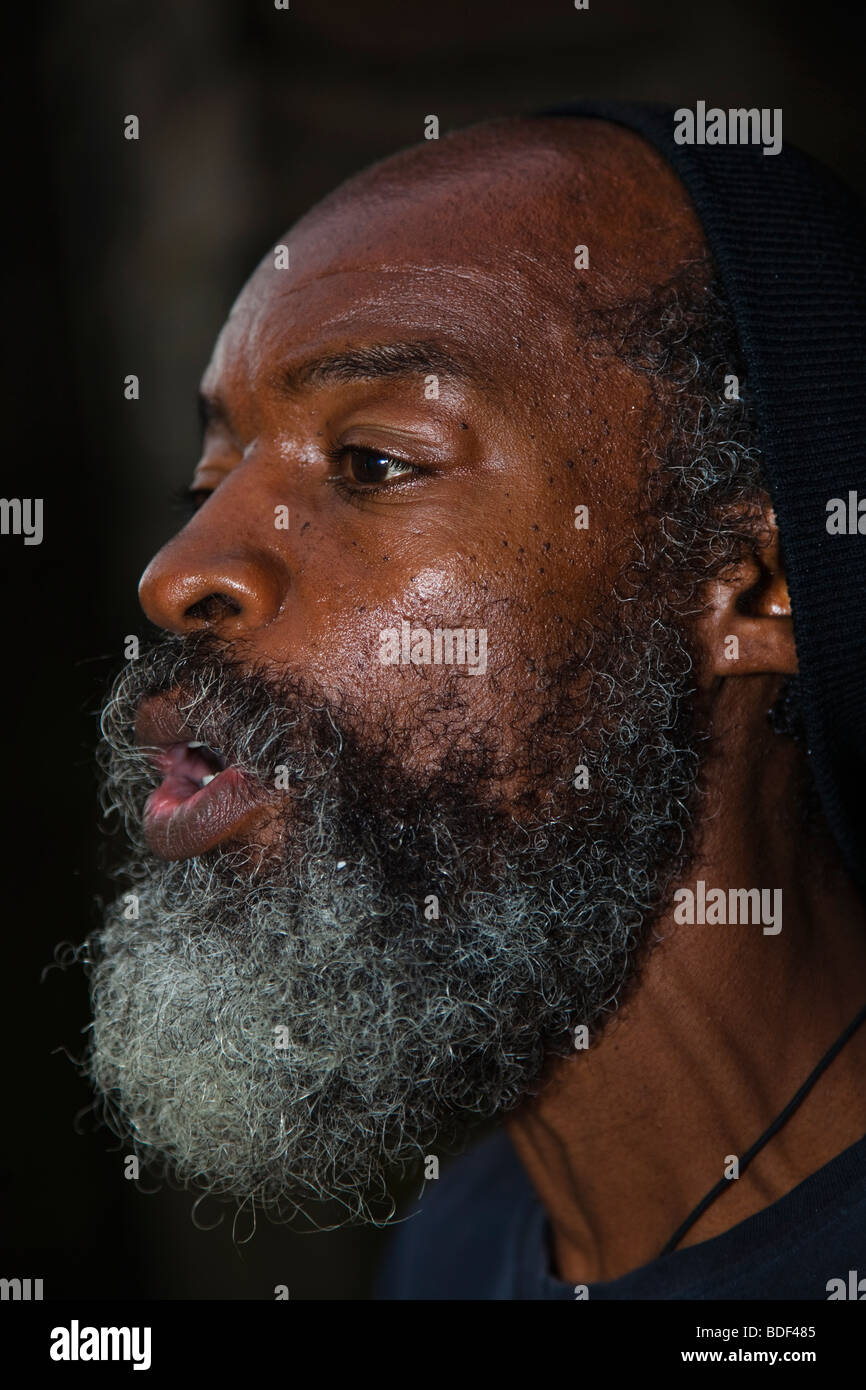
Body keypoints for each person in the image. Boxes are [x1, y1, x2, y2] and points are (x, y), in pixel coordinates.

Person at [87, 105, 866, 1300]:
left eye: (372, 462)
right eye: (210, 478)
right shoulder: (457, 1249)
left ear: (749, 582)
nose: (177, 571)